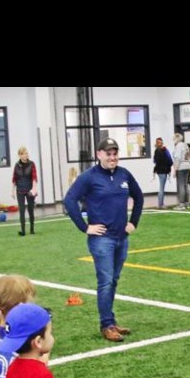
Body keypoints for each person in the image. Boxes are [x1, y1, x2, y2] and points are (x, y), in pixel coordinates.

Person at [63, 137, 144, 342]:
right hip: (102, 240)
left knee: (113, 281)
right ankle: (106, 325)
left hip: (121, 238)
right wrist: (85, 227)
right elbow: (69, 200)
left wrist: (133, 222)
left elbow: (139, 196)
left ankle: (111, 321)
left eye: (115, 153)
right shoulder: (89, 177)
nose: (112, 157)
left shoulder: (124, 174)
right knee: (106, 282)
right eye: (108, 154)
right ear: (99, 154)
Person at [12, 146, 38, 236]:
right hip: (19, 190)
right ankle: (23, 231)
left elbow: (34, 177)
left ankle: (32, 229)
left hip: (29, 190)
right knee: (22, 210)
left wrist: (34, 189)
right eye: (23, 154)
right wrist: (12, 191)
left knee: (31, 209)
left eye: (26, 153)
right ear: (19, 155)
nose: (25, 155)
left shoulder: (32, 164)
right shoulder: (16, 165)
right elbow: (14, 178)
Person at [153, 136, 173, 209]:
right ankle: (160, 204)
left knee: (161, 187)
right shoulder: (164, 151)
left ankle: (160, 203)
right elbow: (169, 161)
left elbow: (155, 161)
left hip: (159, 170)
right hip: (163, 170)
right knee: (162, 188)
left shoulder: (156, 151)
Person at [172, 133, 190, 209]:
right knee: (185, 185)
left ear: (176, 138)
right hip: (187, 165)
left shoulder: (178, 146)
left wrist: (175, 169)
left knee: (181, 185)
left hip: (181, 167)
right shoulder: (185, 145)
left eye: (174, 138)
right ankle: (187, 203)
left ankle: (181, 204)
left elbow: (177, 158)